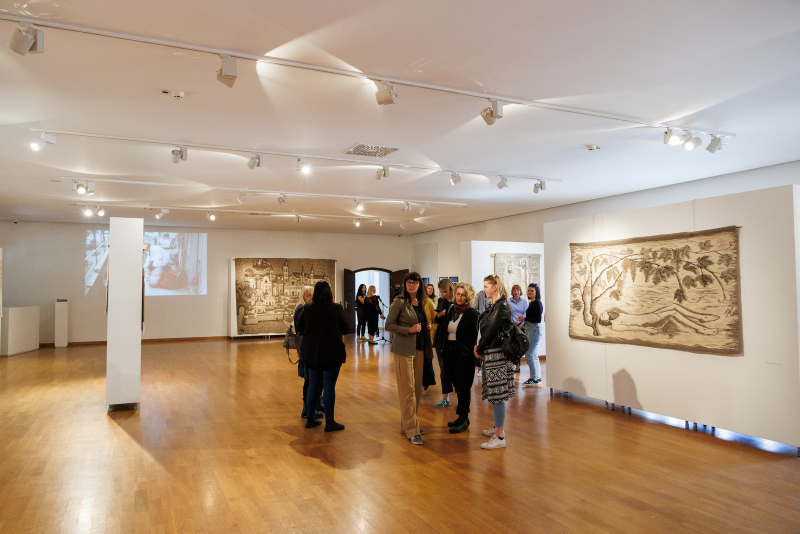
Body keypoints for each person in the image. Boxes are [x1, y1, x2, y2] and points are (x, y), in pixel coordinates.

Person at [385, 272, 433, 446]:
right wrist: (408, 330)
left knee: (417, 390)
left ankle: (406, 424)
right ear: (405, 285)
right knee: (407, 390)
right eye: (408, 282)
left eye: (414, 282)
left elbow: (422, 321)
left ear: (419, 285)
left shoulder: (421, 302)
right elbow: (388, 325)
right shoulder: (399, 302)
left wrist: (427, 326)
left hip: (419, 348)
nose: (411, 285)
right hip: (403, 349)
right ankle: (412, 430)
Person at [296, 281, 349, 432]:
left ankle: (310, 418)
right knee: (329, 385)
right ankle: (329, 421)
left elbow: (299, 327)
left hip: (312, 353)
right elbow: (346, 328)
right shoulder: (336, 308)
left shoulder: (308, 308)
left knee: (314, 384)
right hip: (332, 352)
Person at [475, 274, 514, 450]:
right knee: (493, 392)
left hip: (497, 354)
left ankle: (499, 436)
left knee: (497, 394)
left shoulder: (502, 306)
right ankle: (497, 427)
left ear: (495, 286)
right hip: (492, 353)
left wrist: (479, 348)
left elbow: (491, 331)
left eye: (486, 286)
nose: (484, 290)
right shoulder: (495, 305)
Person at [434, 283, 479, 434]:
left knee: (464, 387)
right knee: (457, 386)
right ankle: (462, 418)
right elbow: (444, 330)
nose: (459, 297)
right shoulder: (452, 310)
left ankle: (463, 418)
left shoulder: (473, 314)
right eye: (458, 294)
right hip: (450, 353)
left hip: (464, 356)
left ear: (468, 296)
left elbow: (475, 337)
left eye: (463, 295)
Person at [294, 286, 323, 419]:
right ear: (303, 297)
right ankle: (307, 408)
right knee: (310, 379)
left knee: (313, 378)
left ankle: (314, 405)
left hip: (309, 347)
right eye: (308, 295)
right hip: (307, 348)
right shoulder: (302, 309)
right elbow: (305, 328)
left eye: (312, 295)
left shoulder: (305, 308)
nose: (311, 298)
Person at [433, 278, 455, 407]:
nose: (444, 294)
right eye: (441, 292)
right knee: (443, 368)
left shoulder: (457, 301)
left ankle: (461, 400)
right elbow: (436, 320)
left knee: (456, 369)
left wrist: (448, 313)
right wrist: (439, 315)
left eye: (445, 291)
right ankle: (445, 398)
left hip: (454, 339)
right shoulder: (441, 301)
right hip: (441, 338)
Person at [521, 283, 544, 387]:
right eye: (529, 290)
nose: (529, 292)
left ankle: (534, 379)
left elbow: (538, 319)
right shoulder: (533, 303)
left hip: (534, 330)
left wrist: (524, 319)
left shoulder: (537, 303)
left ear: (536, 292)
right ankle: (537, 377)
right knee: (533, 354)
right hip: (532, 330)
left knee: (529, 354)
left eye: (532, 291)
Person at [508, 284, 528, 373]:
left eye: (518, 290)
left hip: (522, 326)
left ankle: (517, 365)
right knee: (512, 346)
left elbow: (526, 313)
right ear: (512, 292)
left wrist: (521, 323)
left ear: (520, 292)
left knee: (519, 346)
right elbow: (509, 313)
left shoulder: (524, 302)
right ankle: (513, 365)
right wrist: (514, 322)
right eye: (515, 290)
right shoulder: (509, 301)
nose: (516, 292)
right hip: (512, 326)